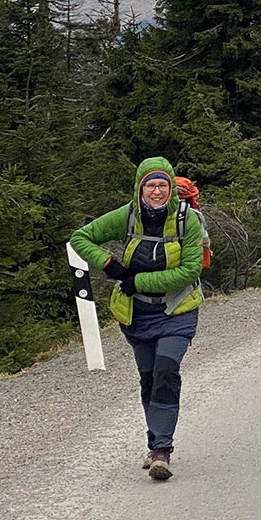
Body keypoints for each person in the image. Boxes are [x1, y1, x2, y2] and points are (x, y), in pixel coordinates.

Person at [70, 157, 206, 481]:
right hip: (138, 313)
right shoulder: (129, 215)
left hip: (178, 310)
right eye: (150, 185)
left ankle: (162, 450)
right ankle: (154, 442)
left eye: (163, 185)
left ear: (171, 188)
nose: (156, 191)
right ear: (140, 187)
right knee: (148, 377)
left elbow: (189, 271)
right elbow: (80, 238)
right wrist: (108, 265)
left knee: (166, 370)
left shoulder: (189, 222)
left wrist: (137, 281)